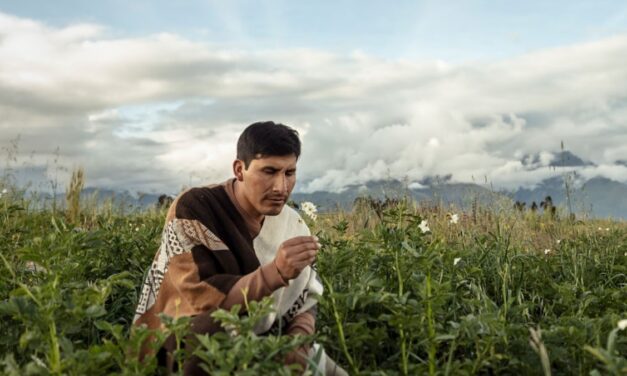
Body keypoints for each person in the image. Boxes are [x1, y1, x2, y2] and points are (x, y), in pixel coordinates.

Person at [133, 121, 347, 375]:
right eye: (269, 171)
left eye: (289, 173)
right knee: (208, 332)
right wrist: (275, 272)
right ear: (239, 169)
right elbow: (200, 299)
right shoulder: (195, 208)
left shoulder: (293, 224)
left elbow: (306, 294)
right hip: (182, 343)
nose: (281, 187)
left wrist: (298, 341)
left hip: (266, 339)